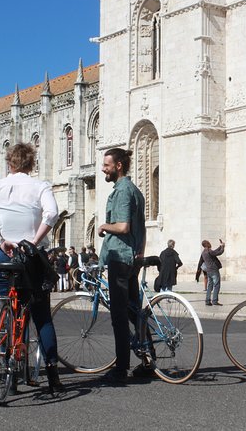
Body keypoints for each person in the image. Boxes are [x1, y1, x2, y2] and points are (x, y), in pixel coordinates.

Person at [0, 142, 64, 393]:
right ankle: (53, 375)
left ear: (9, 164)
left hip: (2, 256)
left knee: (6, 307)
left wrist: (0, 241)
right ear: (32, 164)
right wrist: (33, 242)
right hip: (31, 257)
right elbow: (52, 213)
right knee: (41, 315)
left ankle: (7, 369)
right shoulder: (40, 186)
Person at [97, 148, 147, 382]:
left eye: (106, 165)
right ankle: (147, 359)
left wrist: (104, 226)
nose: (103, 169)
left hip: (119, 257)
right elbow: (142, 229)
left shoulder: (123, 192)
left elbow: (124, 226)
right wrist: (139, 254)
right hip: (131, 257)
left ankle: (121, 367)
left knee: (119, 315)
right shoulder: (135, 191)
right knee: (134, 312)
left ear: (118, 166)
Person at [201, 239, 225, 306]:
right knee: (216, 285)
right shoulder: (209, 251)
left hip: (208, 271)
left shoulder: (203, 252)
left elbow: (214, 252)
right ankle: (214, 301)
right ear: (207, 244)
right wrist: (222, 247)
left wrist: (220, 246)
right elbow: (219, 253)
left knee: (209, 286)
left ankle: (207, 301)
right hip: (214, 270)